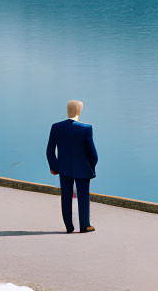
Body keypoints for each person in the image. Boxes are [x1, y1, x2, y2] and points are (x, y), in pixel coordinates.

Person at [45, 99, 98, 234]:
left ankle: (69, 226)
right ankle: (85, 225)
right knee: (83, 197)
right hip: (83, 169)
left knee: (66, 196)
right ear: (79, 111)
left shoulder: (56, 127)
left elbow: (50, 151)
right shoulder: (86, 128)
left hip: (64, 168)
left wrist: (55, 167)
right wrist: (90, 167)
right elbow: (93, 154)